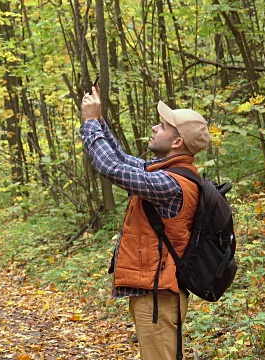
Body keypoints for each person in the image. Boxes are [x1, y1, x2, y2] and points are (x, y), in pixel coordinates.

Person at [80, 86, 210, 359]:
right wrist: (99, 121)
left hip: (159, 297)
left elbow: (111, 168)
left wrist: (91, 124)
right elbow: (120, 160)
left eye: (162, 125)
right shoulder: (167, 173)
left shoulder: (170, 183)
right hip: (156, 296)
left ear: (177, 142)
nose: (153, 127)